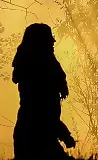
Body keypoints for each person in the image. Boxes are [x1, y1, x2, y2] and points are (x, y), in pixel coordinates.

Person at [11, 23, 76, 159]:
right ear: (39, 41)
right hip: (35, 137)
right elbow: (41, 112)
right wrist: (65, 135)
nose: (53, 41)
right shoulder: (37, 71)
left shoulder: (34, 65)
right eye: (49, 38)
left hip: (34, 135)